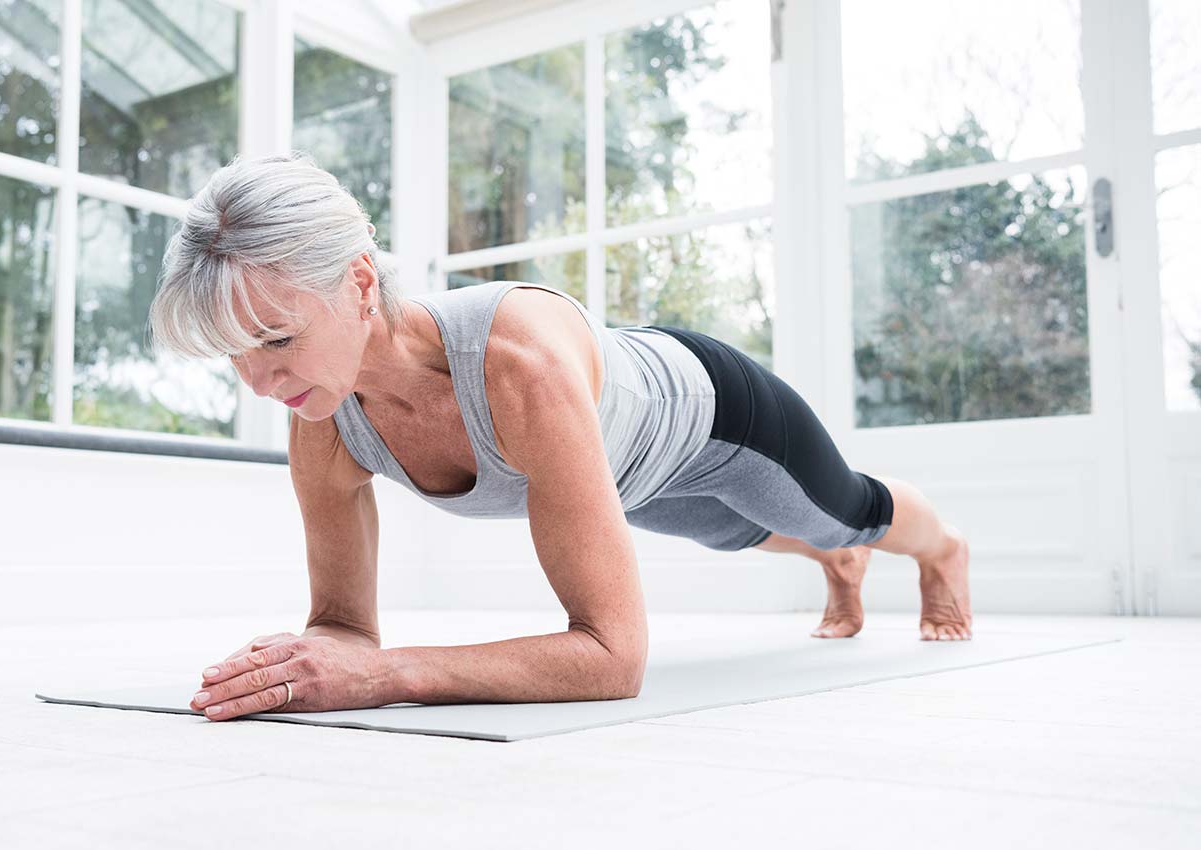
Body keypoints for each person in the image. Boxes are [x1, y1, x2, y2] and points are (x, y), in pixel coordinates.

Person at [149, 153, 972, 723]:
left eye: (277, 339)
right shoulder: (322, 417)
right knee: (743, 533)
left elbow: (614, 659)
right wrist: (307, 660)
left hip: (716, 415)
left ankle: (942, 553)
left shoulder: (518, 366)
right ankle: (834, 566)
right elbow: (342, 627)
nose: (257, 382)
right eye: (234, 354)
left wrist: (390, 674)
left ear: (361, 282)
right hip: (628, 470)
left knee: (847, 513)